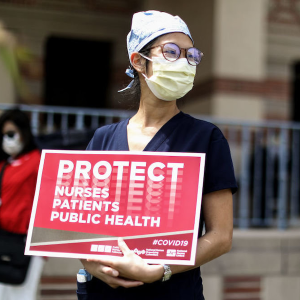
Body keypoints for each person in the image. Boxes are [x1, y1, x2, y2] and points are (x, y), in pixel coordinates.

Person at [79, 10, 237, 300]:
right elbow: (81, 224)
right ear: (139, 60)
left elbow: (221, 236)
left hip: (172, 292)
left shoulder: (205, 138)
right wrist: (89, 262)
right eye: (172, 52)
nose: (184, 62)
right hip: (103, 291)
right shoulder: (103, 139)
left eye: (191, 55)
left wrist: (160, 269)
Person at [0, 108, 44, 300]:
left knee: (22, 294)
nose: (7, 140)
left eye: (11, 134)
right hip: (3, 237)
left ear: (23, 132)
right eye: (3, 135)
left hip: (27, 241)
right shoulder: (4, 164)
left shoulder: (37, 161)